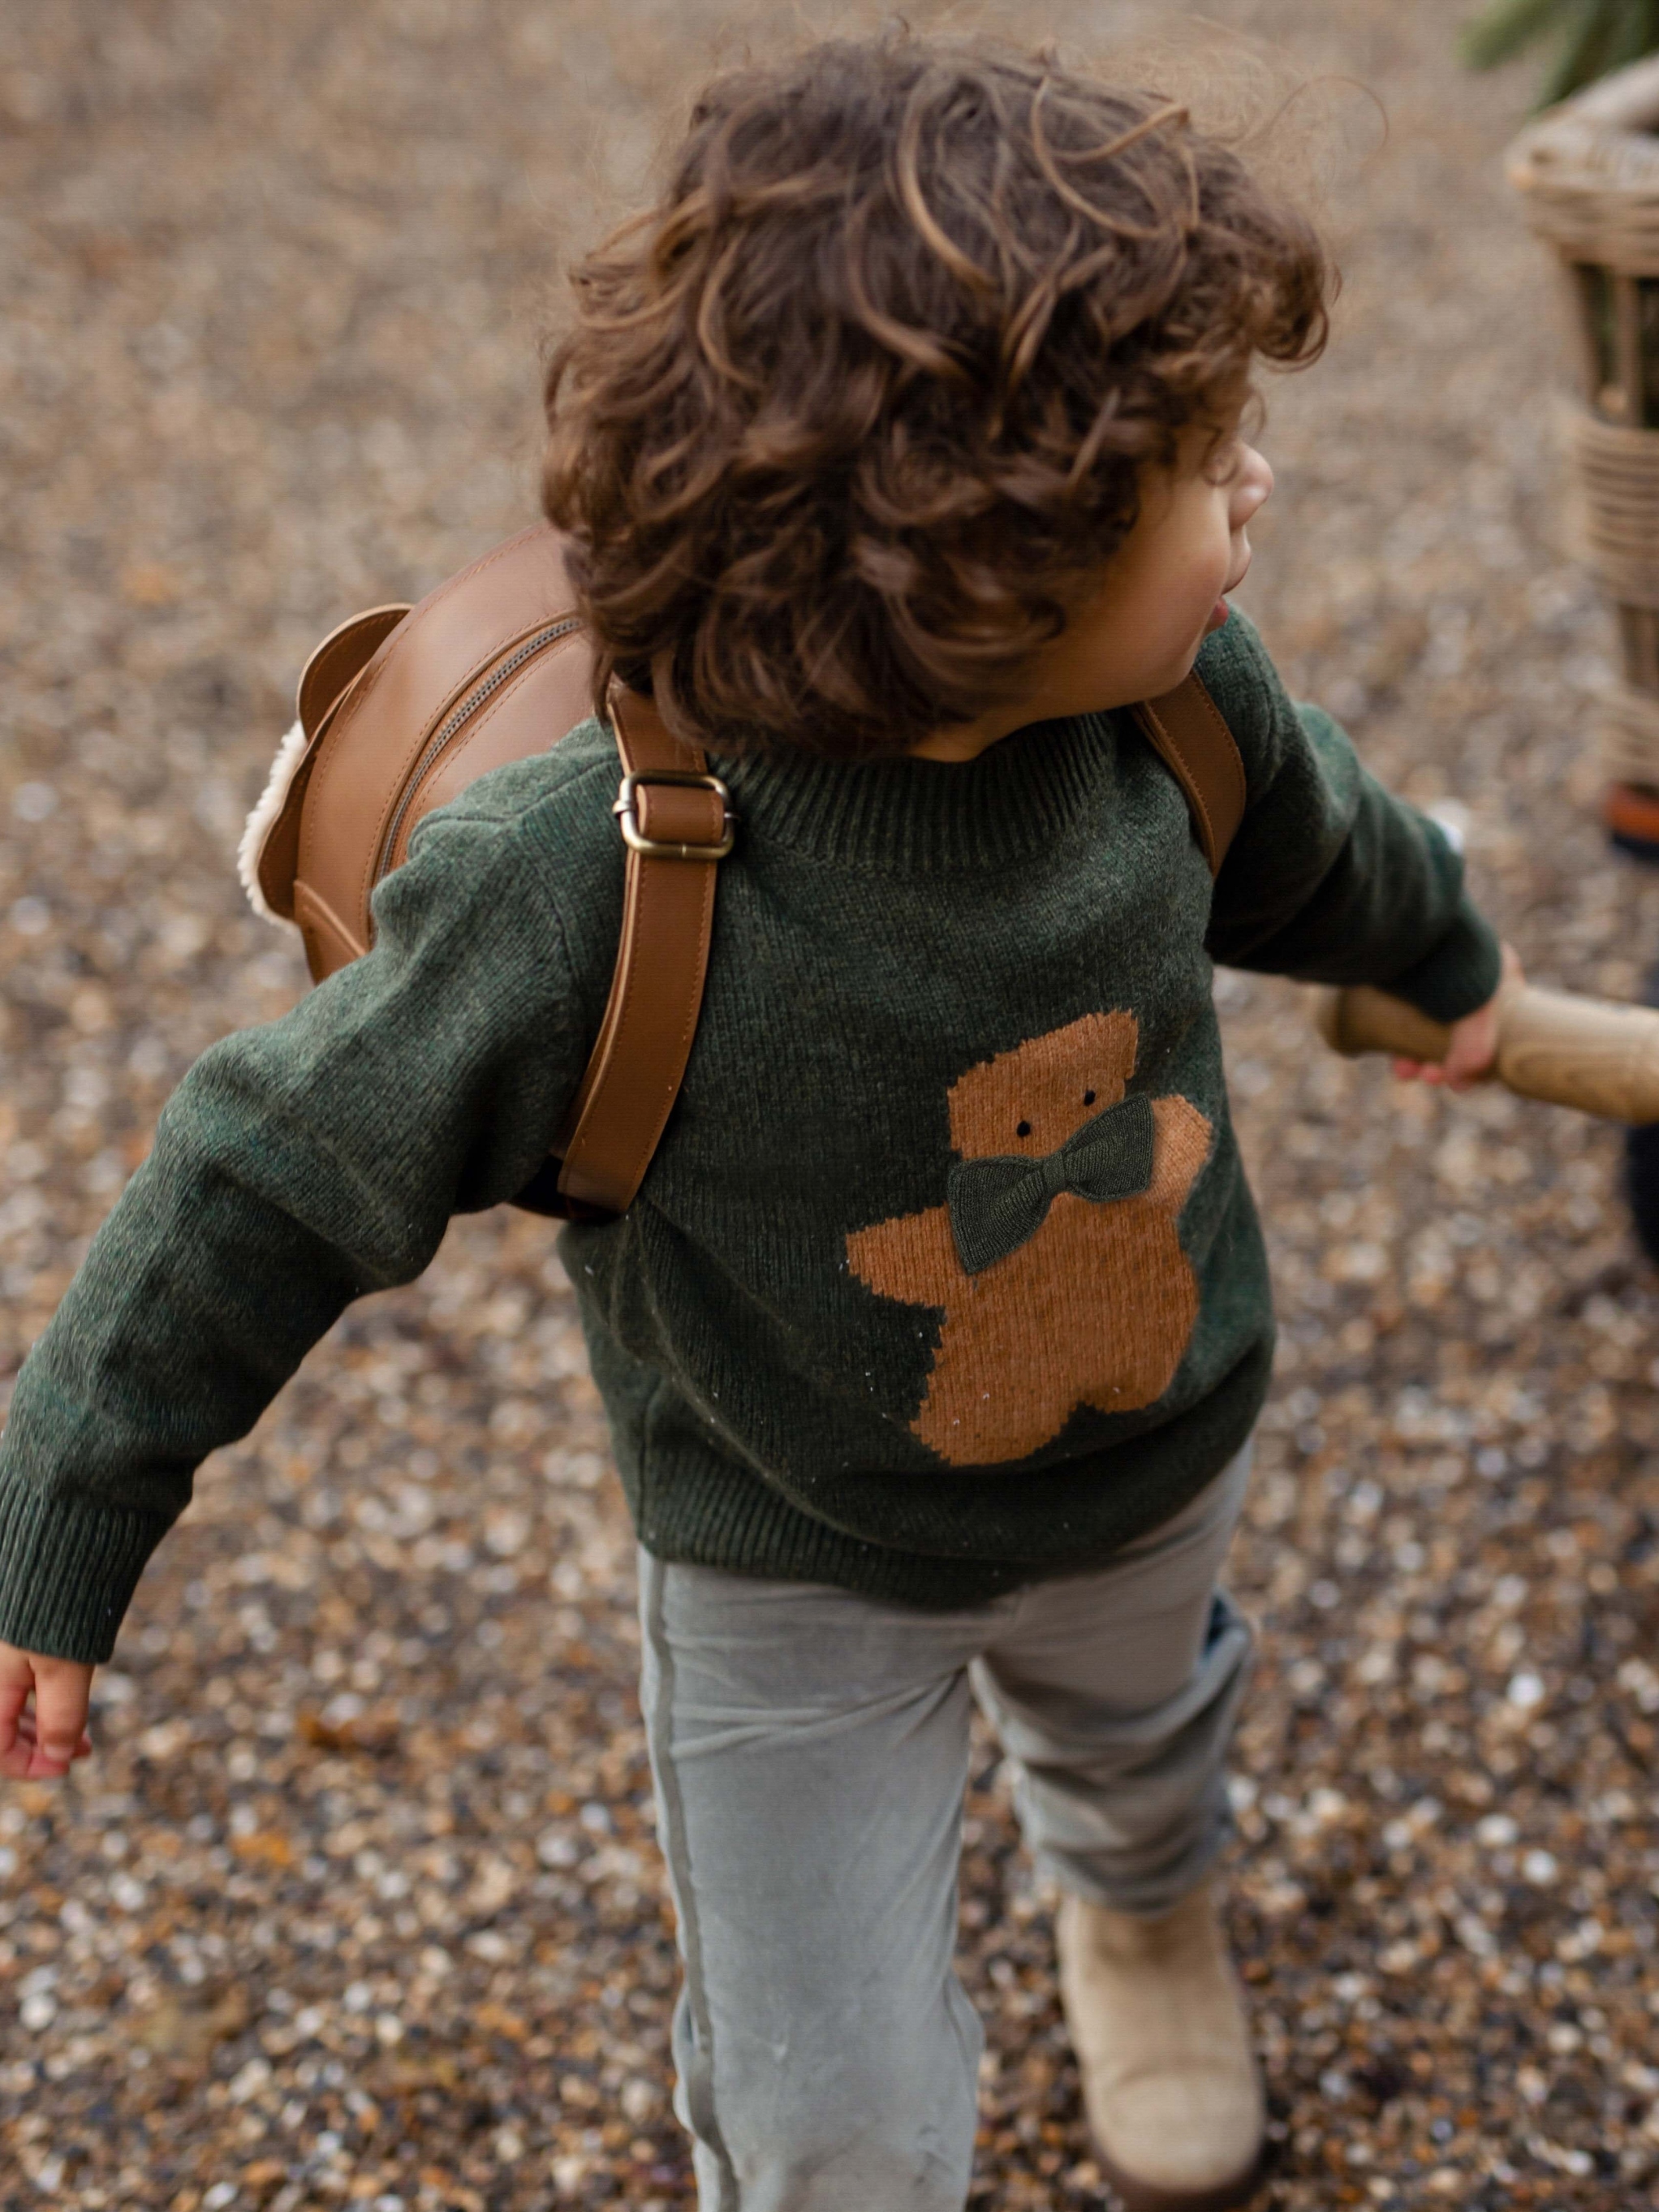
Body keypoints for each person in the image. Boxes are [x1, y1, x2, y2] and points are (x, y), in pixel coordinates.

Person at [0, 36, 1512, 2212]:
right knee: (823, 2127)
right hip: (778, 1546)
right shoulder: (584, 878)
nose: (1254, 486)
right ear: (990, 562)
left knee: (1137, 1743)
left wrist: (1447, 968)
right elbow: (258, 1172)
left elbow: (1331, 856)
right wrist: (62, 1510)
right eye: (1200, 459)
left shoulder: (1173, 711)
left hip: (1141, 1453)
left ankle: (1141, 1910)